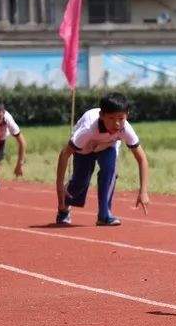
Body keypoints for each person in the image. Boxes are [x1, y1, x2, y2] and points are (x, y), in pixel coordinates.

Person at [54, 92, 150, 226]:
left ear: (127, 115)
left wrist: (143, 192)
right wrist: (59, 184)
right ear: (101, 116)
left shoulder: (125, 128)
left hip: (108, 146)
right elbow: (64, 154)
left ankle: (104, 215)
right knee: (80, 182)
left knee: (110, 171)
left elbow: (142, 159)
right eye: (110, 118)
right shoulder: (88, 129)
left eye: (121, 118)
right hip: (85, 148)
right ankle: (64, 208)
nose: (116, 123)